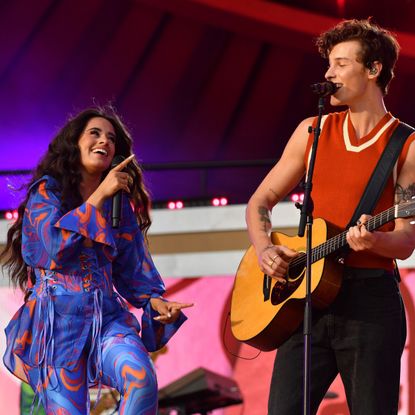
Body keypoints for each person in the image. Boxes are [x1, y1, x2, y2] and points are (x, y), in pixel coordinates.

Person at [245, 19, 415, 414]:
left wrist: (375, 241)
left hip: (371, 303)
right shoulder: (312, 131)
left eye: (340, 63)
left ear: (373, 70)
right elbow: (260, 202)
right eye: (329, 64)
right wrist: (265, 248)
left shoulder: (406, 144)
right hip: (306, 300)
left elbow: (406, 240)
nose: (328, 73)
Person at [0, 106, 193, 414]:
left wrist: (155, 302)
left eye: (112, 137)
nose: (105, 140)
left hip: (106, 320)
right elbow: (51, 249)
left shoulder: (121, 207)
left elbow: (134, 269)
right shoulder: (47, 192)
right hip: (56, 328)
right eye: (95, 132)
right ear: (74, 143)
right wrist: (100, 195)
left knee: (142, 380)